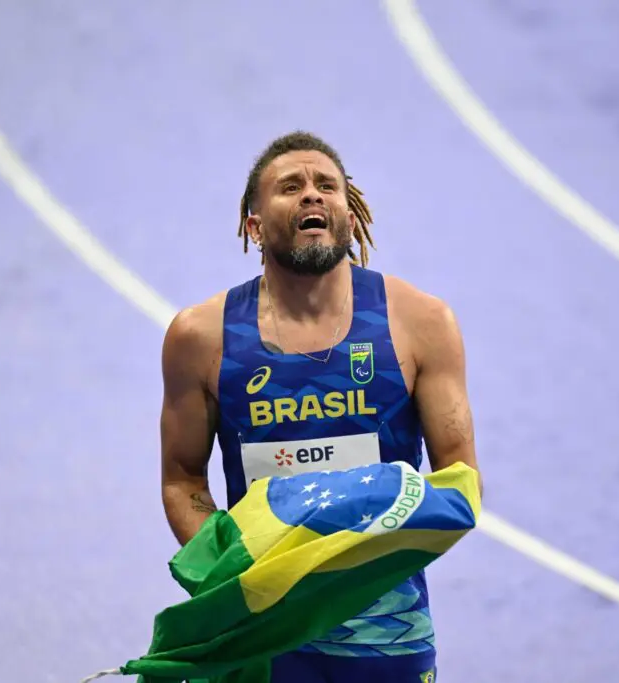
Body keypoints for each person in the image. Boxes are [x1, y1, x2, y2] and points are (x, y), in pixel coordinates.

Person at [158, 131, 481, 682]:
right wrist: (235, 576)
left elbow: (458, 480)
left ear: (348, 217)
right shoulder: (201, 336)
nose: (312, 195)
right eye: (291, 187)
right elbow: (183, 479)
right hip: (264, 631)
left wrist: (354, 561)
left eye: (326, 186)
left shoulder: (421, 323)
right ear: (255, 226)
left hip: (388, 631)